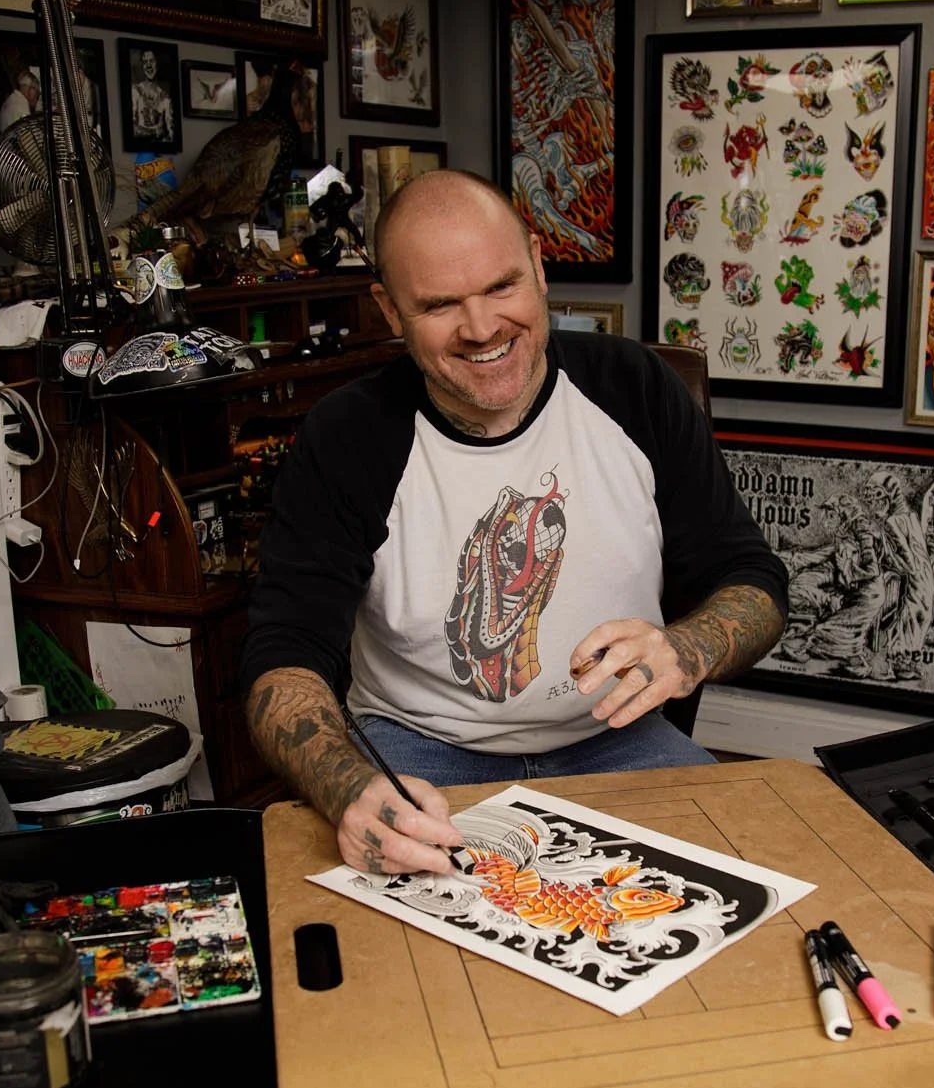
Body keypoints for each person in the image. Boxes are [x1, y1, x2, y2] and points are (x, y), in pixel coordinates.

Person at [241, 171, 787, 878]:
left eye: (502, 287)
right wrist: (349, 789)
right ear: (388, 309)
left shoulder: (636, 388)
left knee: (739, 888)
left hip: (615, 739)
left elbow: (756, 583)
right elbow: (281, 659)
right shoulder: (348, 435)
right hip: (418, 748)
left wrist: (687, 648)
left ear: (537, 261)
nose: (481, 328)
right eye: (440, 304)